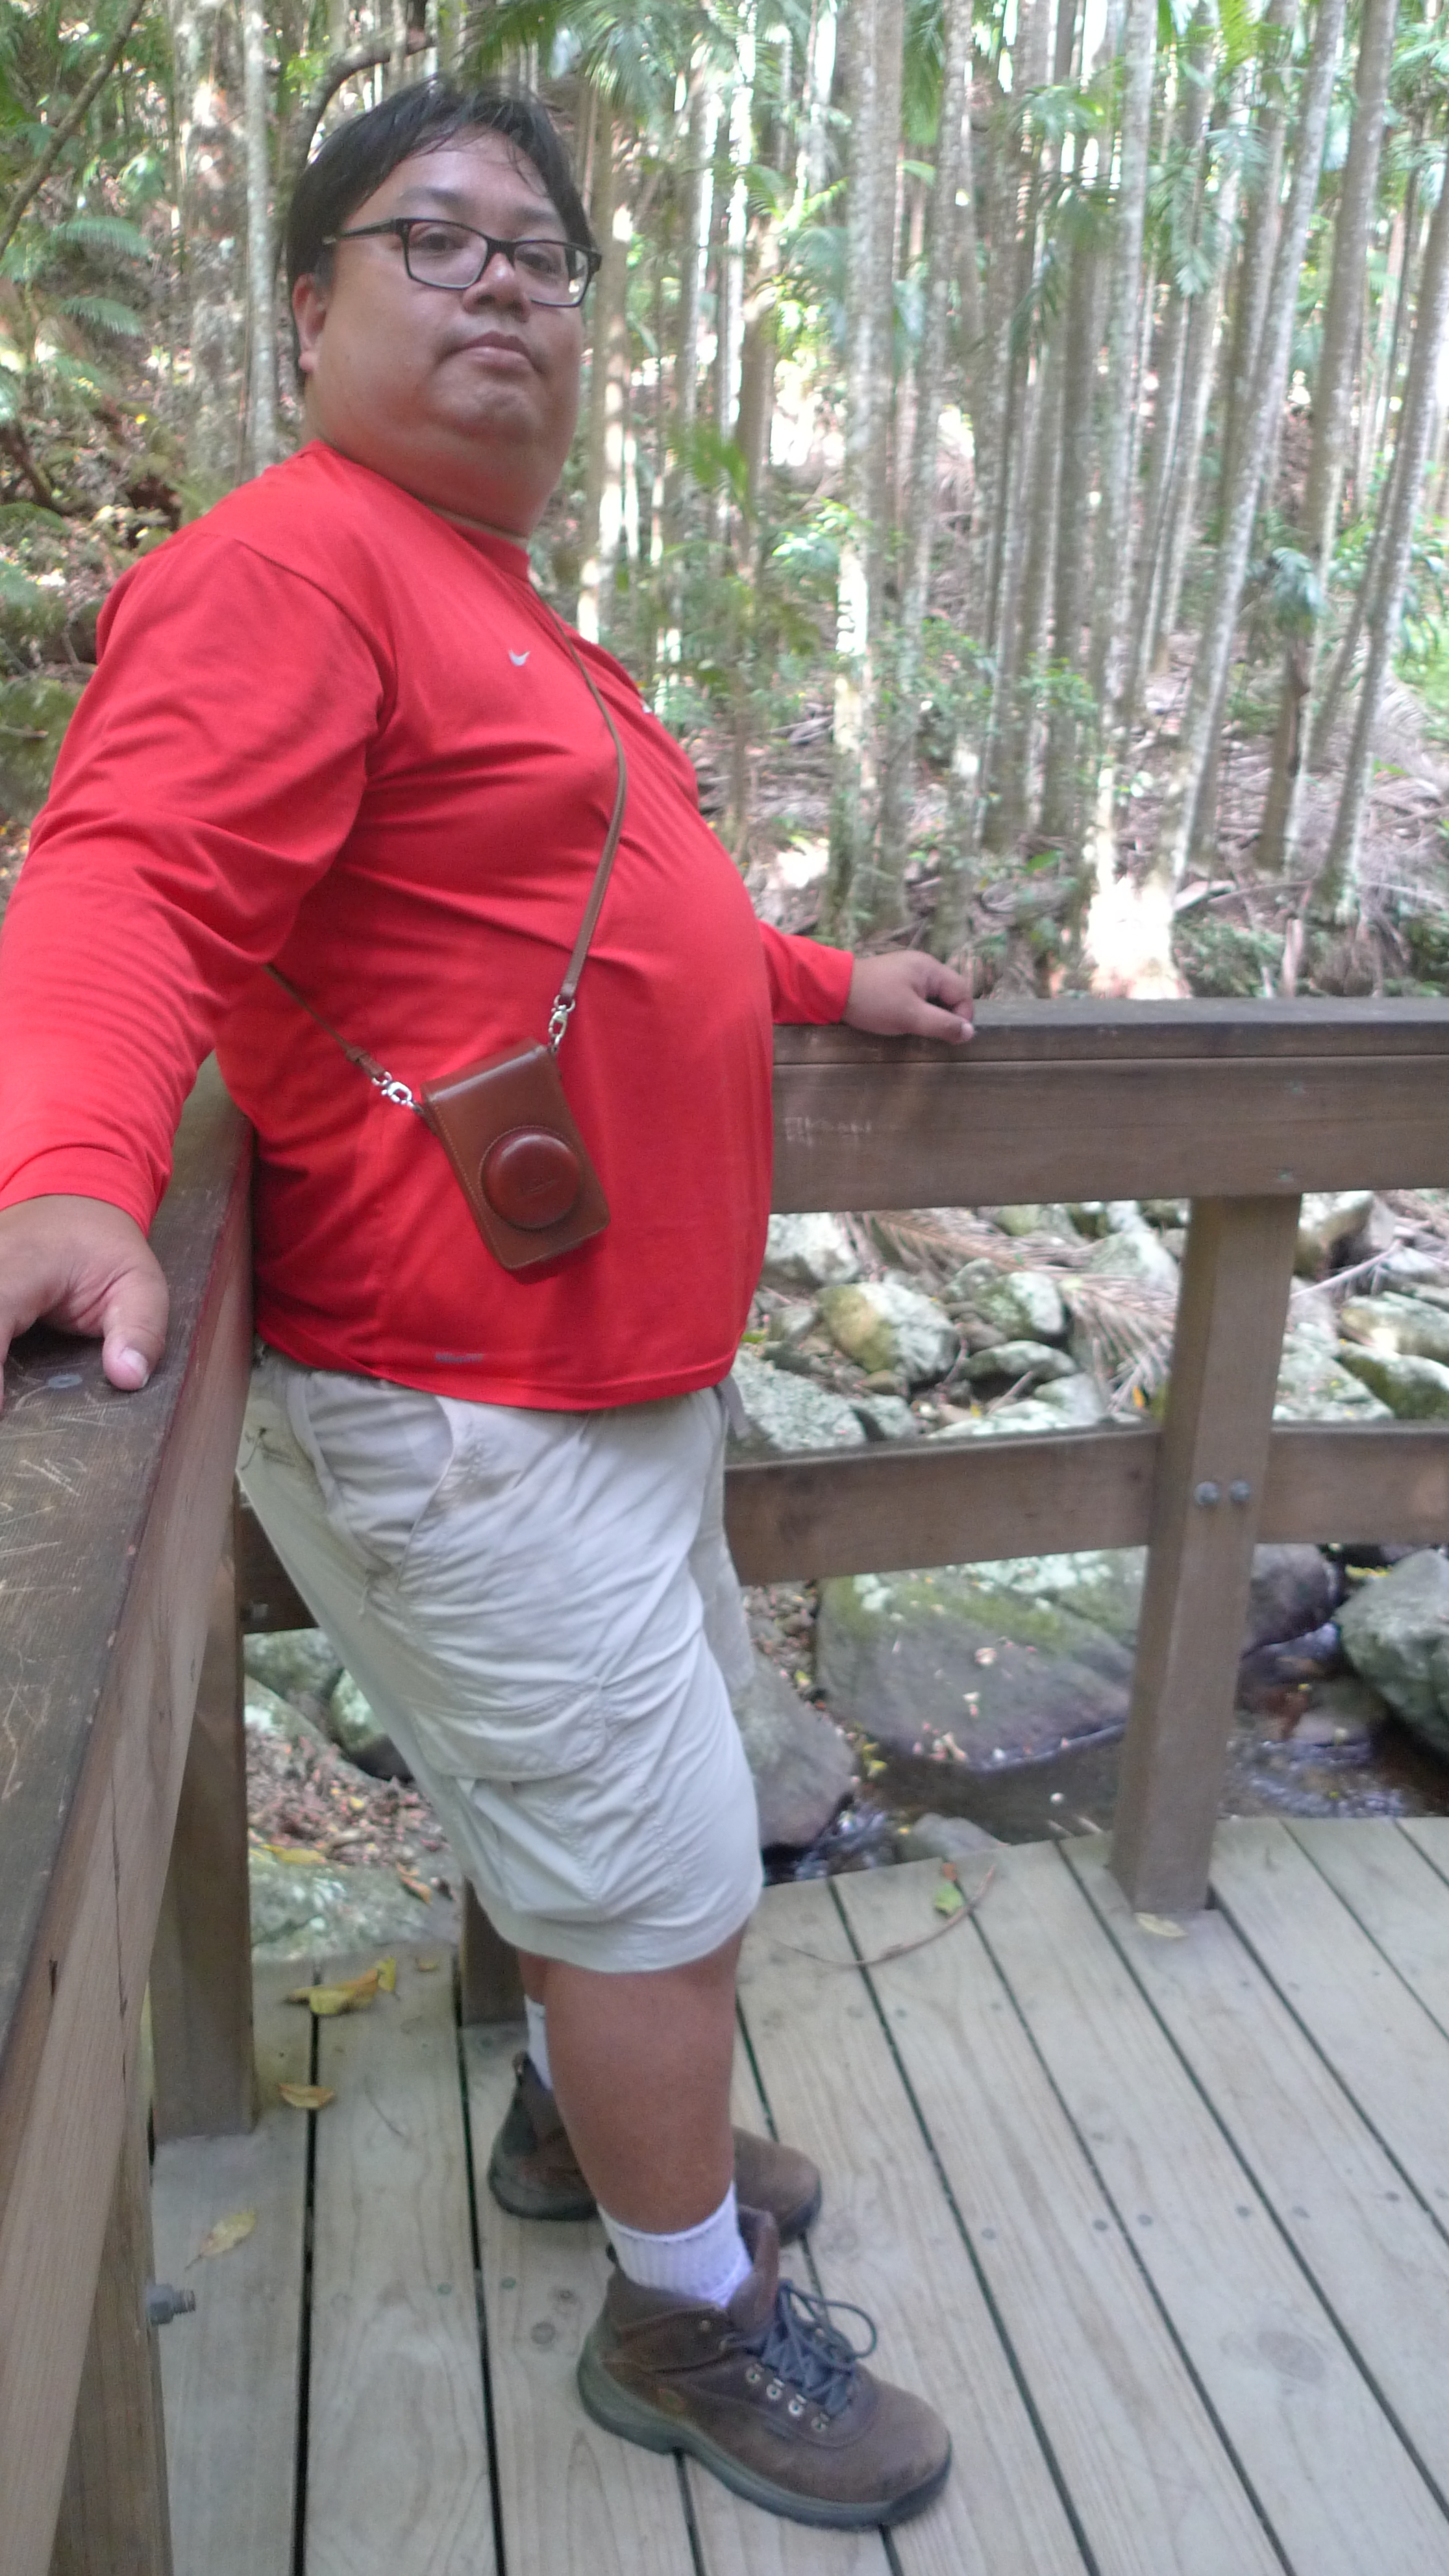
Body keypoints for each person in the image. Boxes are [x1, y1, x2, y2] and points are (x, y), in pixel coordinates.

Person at [0, 82, 972, 2529]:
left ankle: (579, 2123)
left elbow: (608, 909)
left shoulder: (483, 596)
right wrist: (68, 1176)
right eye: (431, 239)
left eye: (540, 251)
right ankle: (689, 2314)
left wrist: (825, 977)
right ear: (307, 306)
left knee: (634, 1815)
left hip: (593, 1376)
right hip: (464, 1394)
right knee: (657, 1875)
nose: (502, 282)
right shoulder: (285, 571)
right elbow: (127, 879)